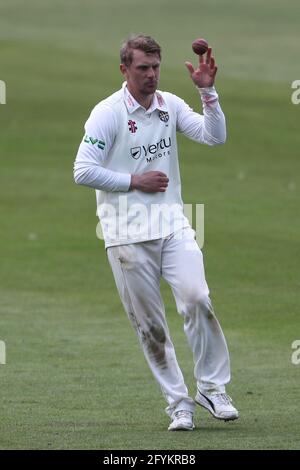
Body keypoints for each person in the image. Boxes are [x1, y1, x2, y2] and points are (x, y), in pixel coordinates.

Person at [74, 34, 238, 431]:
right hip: (125, 235)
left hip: (173, 225)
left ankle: (213, 388)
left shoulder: (169, 105)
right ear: (124, 70)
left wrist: (209, 93)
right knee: (151, 327)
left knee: (197, 297)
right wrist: (135, 181)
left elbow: (214, 136)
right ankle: (178, 403)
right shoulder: (108, 113)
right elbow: (82, 170)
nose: (151, 75)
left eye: (155, 67)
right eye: (143, 68)